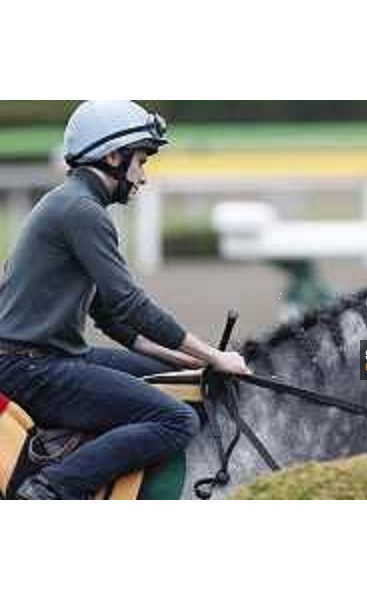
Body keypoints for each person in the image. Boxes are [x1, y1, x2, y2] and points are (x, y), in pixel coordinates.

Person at [0, 100, 251, 499]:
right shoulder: (82, 211)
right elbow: (131, 305)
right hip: (31, 369)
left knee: (170, 378)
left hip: (50, 358)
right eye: (141, 161)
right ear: (113, 156)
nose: (143, 177)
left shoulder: (73, 203)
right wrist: (215, 356)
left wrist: (187, 362)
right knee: (177, 419)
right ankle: (50, 489)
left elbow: (110, 317)